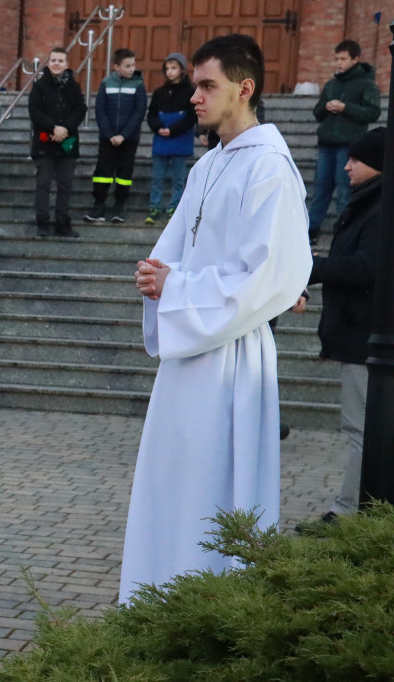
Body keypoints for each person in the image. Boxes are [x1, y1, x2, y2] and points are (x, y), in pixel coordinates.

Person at [122, 34, 313, 602]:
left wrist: (175, 285)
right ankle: (159, 592)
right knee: (172, 478)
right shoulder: (208, 165)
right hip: (189, 349)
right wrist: (156, 276)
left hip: (232, 354)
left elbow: (270, 276)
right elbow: (175, 246)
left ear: (245, 88)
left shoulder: (270, 169)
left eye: (208, 86)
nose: (195, 97)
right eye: (195, 85)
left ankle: (214, 603)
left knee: (215, 484)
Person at [296, 127, 385, 526]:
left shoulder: (381, 208)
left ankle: (347, 515)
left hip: (366, 337)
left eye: (356, 159)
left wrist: (311, 267)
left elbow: (367, 267)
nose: (346, 166)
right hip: (360, 333)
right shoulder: (370, 202)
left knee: (361, 430)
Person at [308, 40, 381, 245]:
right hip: (326, 145)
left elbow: (373, 112)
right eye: (336, 58)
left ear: (355, 59)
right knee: (320, 190)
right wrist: (327, 106)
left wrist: (345, 107)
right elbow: (317, 113)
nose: (338, 63)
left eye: (343, 59)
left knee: (344, 191)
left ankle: (344, 231)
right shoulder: (331, 84)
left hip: (350, 146)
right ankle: (311, 231)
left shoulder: (367, 84)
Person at [28, 47, 86, 238]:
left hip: (67, 144)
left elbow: (80, 109)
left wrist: (65, 128)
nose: (56, 64)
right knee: (43, 184)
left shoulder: (74, 87)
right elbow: (35, 111)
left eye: (60, 61)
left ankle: (62, 224)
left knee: (65, 185)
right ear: (48, 63)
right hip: (45, 143)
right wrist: (53, 128)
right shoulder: (39, 86)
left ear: (66, 64)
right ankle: (42, 223)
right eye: (53, 60)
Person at [85, 48, 146, 223]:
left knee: (124, 173)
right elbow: (100, 110)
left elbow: (139, 112)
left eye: (133, 65)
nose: (131, 69)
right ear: (116, 67)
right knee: (103, 171)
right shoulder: (106, 83)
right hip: (107, 138)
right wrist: (110, 134)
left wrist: (123, 135)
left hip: (129, 139)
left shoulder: (138, 85)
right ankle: (98, 206)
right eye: (127, 66)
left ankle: (119, 207)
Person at [145, 53, 197, 225]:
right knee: (157, 175)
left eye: (173, 68)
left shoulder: (190, 91)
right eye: (167, 68)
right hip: (162, 138)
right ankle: (155, 206)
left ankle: (174, 207)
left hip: (179, 138)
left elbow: (191, 116)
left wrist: (173, 129)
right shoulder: (160, 92)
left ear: (182, 69)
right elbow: (151, 113)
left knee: (179, 176)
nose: (169, 71)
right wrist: (158, 127)